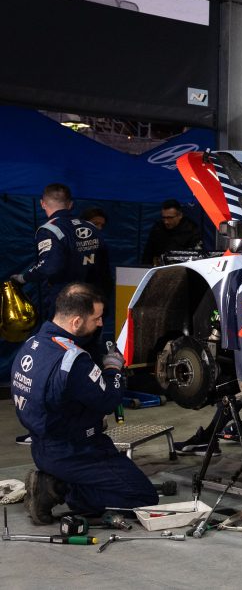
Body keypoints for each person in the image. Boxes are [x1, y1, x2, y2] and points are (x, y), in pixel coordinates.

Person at [11, 283, 158, 524]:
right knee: (143, 497)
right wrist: (113, 368)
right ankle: (56, 488)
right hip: (76, 451)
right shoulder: (73, 361)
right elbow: (109, 399)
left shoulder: (33, 344)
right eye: (96, 319)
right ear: (76, 321)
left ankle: (58, 481)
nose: (100, 324)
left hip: (42, 446)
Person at [10, 184, 108, 322]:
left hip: (65, 299)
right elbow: (104, 268)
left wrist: (23, 278)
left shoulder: (50, 230)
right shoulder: (91, 227)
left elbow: (49, 266)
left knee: (60, 334)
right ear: (70, 204)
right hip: (93, 298)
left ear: (42, 204)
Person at [142, 199, 202, 266]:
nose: (166, 222)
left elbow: (197, 256)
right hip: (159, 268)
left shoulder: (191, 230)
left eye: (170, 218)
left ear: (180, 215)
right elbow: (148, 254)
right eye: (164, 218)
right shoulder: (158, 228)